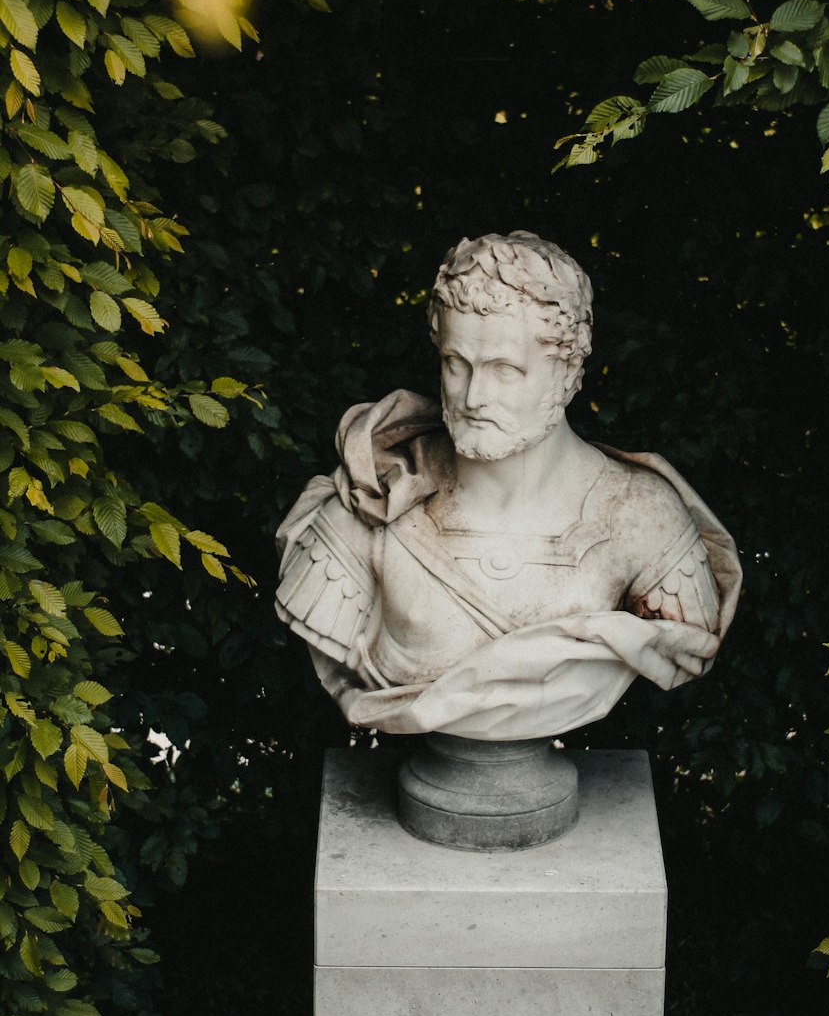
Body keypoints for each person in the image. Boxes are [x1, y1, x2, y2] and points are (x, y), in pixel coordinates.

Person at [275, 231, 741, 739]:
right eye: (457, 365)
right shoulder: (368, 505)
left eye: (505, 370)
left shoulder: (642, 518)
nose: (474, 396)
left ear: (568, 373)